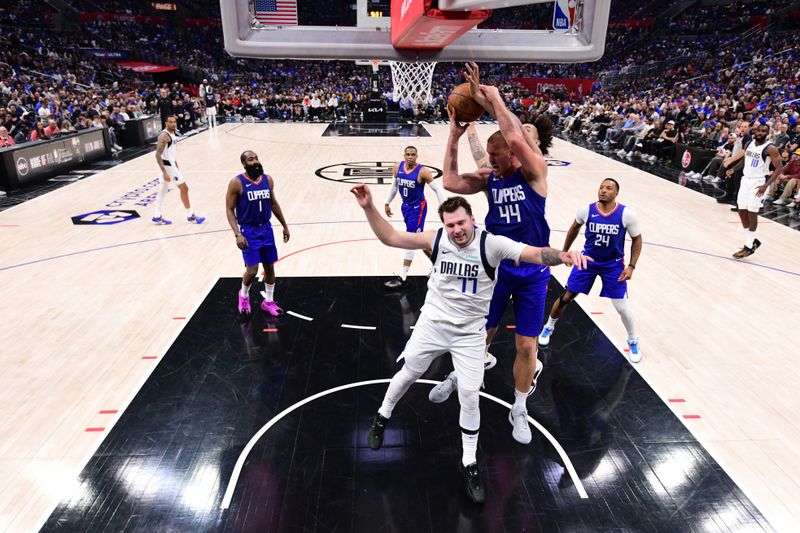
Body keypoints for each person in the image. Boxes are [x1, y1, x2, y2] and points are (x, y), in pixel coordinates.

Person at [352, 184, 588, 504]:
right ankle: (382, 416)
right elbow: (391, 237)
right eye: (450, 225)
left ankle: (470, 462)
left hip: (469, 333)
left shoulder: (492, 244)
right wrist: (369, 207)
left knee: (469, 395)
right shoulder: (436, 239)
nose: (456, 230)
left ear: (472, 219)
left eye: (461, 223)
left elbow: (533, 253)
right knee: (409, 373)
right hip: (433, 324)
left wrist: (561, 256)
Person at [435, 63, 550, 445]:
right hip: (496, 270)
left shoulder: (535, 172)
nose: (491, 160)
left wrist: (492, 96)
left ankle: (519, 406)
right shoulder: (492, 178)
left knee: (526, 344)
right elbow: (451, 180)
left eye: (497, 153)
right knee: (478, 334)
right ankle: (461, 375)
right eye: (490, 153)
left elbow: (516, 139)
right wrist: (454, 135)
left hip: (532, 273)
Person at [538, 178, 643, 362]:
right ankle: (548, 326)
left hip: (613, 265)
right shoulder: (586, 210)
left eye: (608, 188)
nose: (603, 190)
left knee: (622, 308)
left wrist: (631, 266)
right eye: (601, 187)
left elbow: (637, 239)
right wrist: (564, 252)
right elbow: (573, 228)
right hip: (588, 261)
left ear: (616, 193)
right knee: (566, 297)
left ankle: (632, 340)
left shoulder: (627, 214)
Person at [226, 150, 290, 317]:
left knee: (269, 267)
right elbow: (229, 209)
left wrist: (284, 225)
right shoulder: (236, 183)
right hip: (249, 231)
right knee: (252, 271)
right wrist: (237, 234)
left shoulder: (267, 180)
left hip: (266, 229)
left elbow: (273, 203)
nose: (255, 161)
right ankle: (244, 295)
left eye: (256, 158)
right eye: (250, 159)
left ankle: (268, 302)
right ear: (244, 164)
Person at [383, 146, 445, 289]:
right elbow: (394, 186)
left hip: (418, 208)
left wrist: (444, 208)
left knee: (410, 240)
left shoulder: (422, 171)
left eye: (413, 155)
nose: (410, 157)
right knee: (420, 242)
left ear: (417, 156)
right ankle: (440, 266)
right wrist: (387, 202)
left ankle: (403, 277)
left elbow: (437, 190)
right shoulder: (397, 167)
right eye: (408, 154)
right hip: (405, 207)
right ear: (404, 155)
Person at [728, 123, 783, 258]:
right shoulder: (749, 144)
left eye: (763, 131)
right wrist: (733, 169)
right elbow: (745, 161)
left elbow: (779, 168)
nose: (760, 132)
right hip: (746, 179)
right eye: (759, 130)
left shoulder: (770, 148)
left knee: (752, 211)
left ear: (767, 133)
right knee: (741, 210)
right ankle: (752, 241)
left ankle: (748, 245)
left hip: (759, 182)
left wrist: (766, 185)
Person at [152, 115, 205, 225]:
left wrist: (175, 164)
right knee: (184, 188)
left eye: (174, 122)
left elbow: (170, 152)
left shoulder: (172, 134)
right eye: (170, 122)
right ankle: (190, 215)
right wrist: (164, 171)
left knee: (162, 191)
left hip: (170, 165)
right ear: (166, 123)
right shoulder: (164, 136)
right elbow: (157, 155)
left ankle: (157, 215)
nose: (173, 124)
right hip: (166, 167)